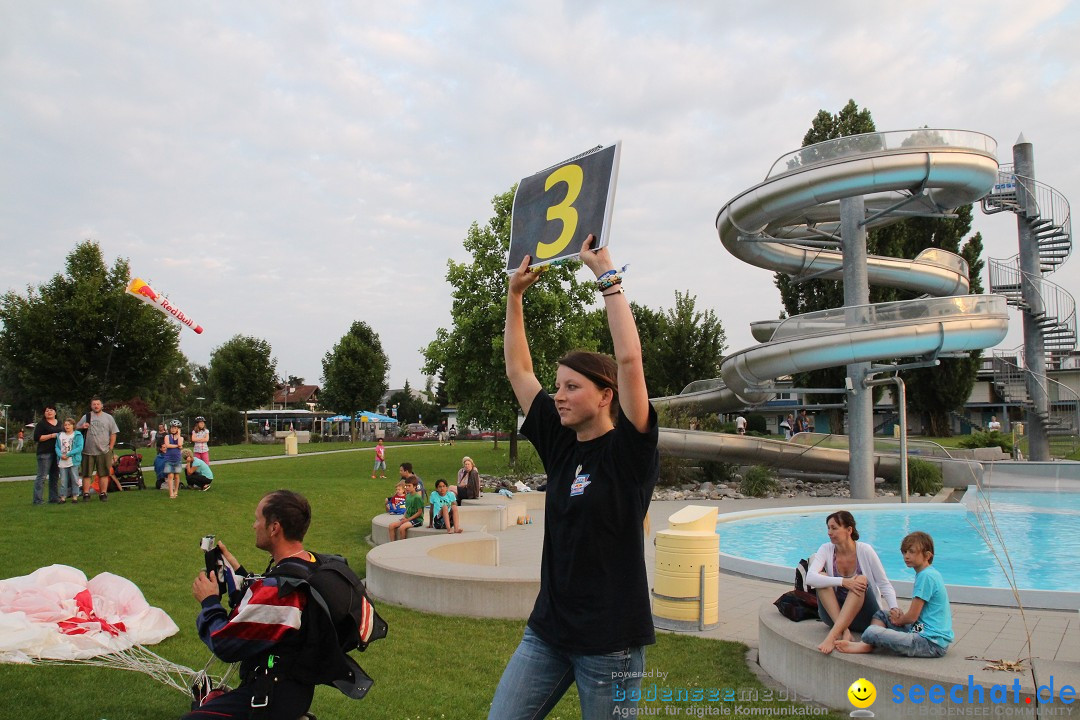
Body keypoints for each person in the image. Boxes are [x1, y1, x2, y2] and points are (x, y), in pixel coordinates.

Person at [490, 234, 659, 719]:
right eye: (558, 386)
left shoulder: (629, 450)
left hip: (610, 645)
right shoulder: (562, 443)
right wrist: (514, 296)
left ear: (606, 395)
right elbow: (519, 370)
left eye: (571, 387)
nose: (558, 396)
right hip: (547, 632)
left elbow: (629, 360)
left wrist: (606, 278)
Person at [186, 490, 319, 719]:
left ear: (274, 528)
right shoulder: (309, 563)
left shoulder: (281, 589)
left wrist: (209, 602)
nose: (253, 525)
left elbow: (225, 644)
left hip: (270, 695)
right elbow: (268, 613)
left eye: (258, 519)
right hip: (294, 688)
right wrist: (238, 572)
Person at [836, 531, 953, 658]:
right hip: (921, 629)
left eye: (911, 552)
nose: (906, 556)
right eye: (905, 552)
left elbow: (912, 616)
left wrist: (900, 620)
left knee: (871, 632)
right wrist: (899, 618)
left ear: (927, 555)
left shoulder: (926, 576)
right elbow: (915, 619)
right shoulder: (928, 573)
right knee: (882, 615)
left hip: (930, 642)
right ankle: (867, 645)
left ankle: (867, 643)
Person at [805, 511, 898, 654]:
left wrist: (894, 608)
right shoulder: (825, 549)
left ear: (849, 530)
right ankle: (843, 631)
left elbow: (884, 584)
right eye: (828, 528)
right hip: (833, 616)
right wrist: (843, 582)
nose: (829, 532)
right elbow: (810, 578)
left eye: (834, 528)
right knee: (821, 578)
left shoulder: (865, 550)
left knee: (861, 580)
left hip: (865, 617)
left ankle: (833, 636)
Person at [77, 397, 119, 502]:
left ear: (102, 406)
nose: (96, 406)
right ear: (91, 406)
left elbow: (113, 433)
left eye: (98, 404)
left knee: (103, 473)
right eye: (94, 404)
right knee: (86, 474)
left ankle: (103, 493)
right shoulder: (86, 417)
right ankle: (86, 493)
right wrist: (82, 426)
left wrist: (111, 447)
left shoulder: (108, 418)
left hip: (104, 450)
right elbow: (76, 428)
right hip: (87, 450)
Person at [32, 404, 63, 505]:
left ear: (55, 412)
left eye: (51, 410)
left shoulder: (60, 423)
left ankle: (54, 498)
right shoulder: (42, 424)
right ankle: (38, 499)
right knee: (42, 476)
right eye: (46, 411)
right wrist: (51, 436)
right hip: (45, 453)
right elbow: (37, 437)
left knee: (54, 476)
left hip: (57, 453)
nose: (49, 412)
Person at [55, 417, 85, 503]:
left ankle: (75, 496)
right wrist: (61, 455)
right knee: (63, 480)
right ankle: (63, 497)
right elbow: (57, 447)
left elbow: (79, 447)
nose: (67, 426)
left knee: (75, 478)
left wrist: (69, 454)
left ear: (73, 426)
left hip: (73, 460)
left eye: (69, 425)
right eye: (65, 425)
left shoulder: (77, 435)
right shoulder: (60, 435)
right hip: (62, 461)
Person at [162, 419, 184, 499]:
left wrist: (178, 435)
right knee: (170, 476)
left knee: (177, 476)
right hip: (169, 459)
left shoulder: (181, 437)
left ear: (178, 429)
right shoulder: (167, 436)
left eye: (175, 428)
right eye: (172, 428)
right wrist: (177, 446)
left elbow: (180, 443)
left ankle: (176, 491)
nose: (173, 429)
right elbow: (167, 445)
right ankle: (171, 492)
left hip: (177, 459)